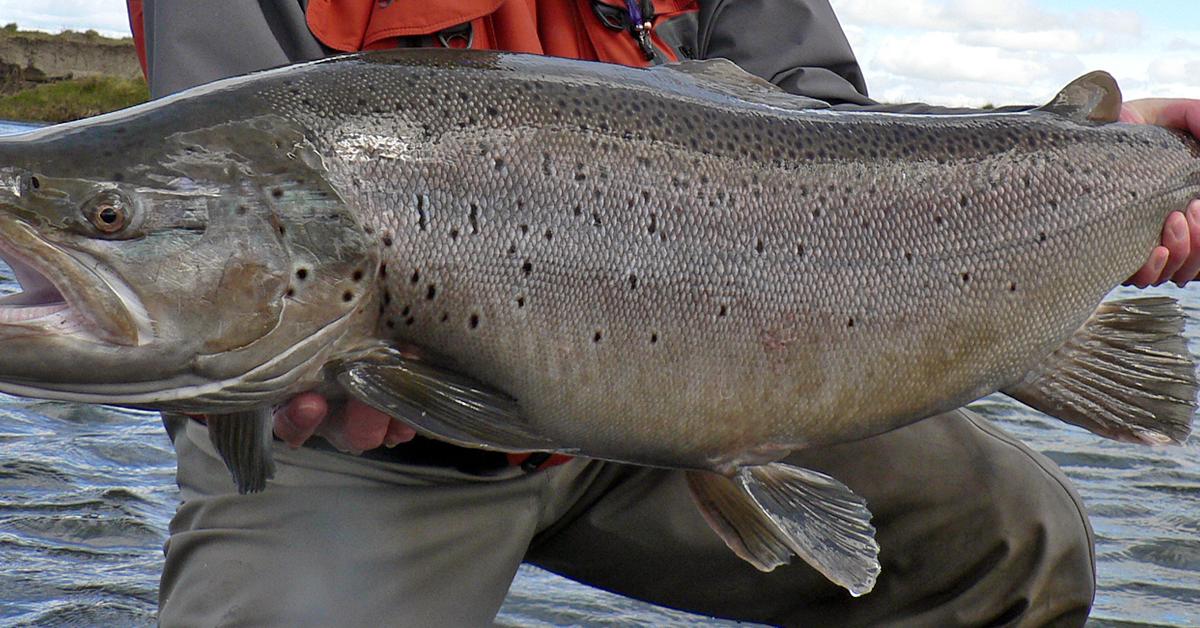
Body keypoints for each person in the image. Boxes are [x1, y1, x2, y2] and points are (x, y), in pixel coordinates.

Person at [128, 1, 1200, 625]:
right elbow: (193, 226)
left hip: (710, 376)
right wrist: (259, 391)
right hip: (373, 443)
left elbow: (837, 148)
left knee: (1015, 541)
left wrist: (1090, 157)